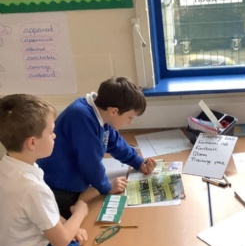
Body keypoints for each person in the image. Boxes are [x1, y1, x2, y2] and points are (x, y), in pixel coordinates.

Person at [0, 94, 89, 246]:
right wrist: (80, 213)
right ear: (32, 142)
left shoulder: (8, 167)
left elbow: (40, 214)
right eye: (51, 132)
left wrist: (66, 224)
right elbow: (60, 242)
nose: (55, 136)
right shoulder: (32, 188)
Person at [38, 76, 157, 219]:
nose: (131, 122)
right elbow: (90, 162)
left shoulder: (102, 113)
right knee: (78, 225)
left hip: (75, 181)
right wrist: (106, 187)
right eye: (130, 117)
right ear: (114, 111)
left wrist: (139, 162)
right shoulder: (81, 116)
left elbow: (114, 143)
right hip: (59, 187)